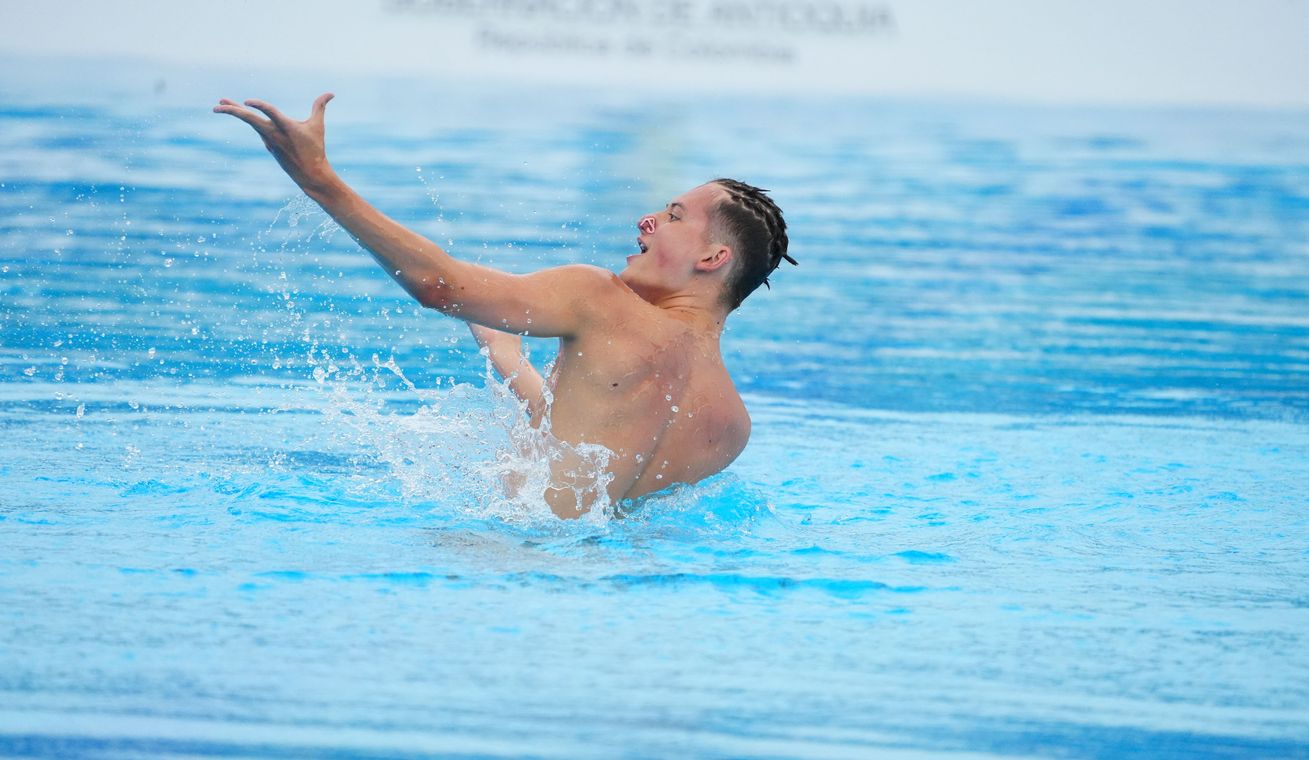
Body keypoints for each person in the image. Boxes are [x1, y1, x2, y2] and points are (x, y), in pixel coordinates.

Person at [214, 93, 794, 518]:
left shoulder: (600, 298)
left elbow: (439, 286)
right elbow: (591, 471)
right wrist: (507, 358)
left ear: (714, 257)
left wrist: (321, 181)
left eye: (673, 216)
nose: (648, 219)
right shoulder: (731, 425)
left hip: (499, 558)